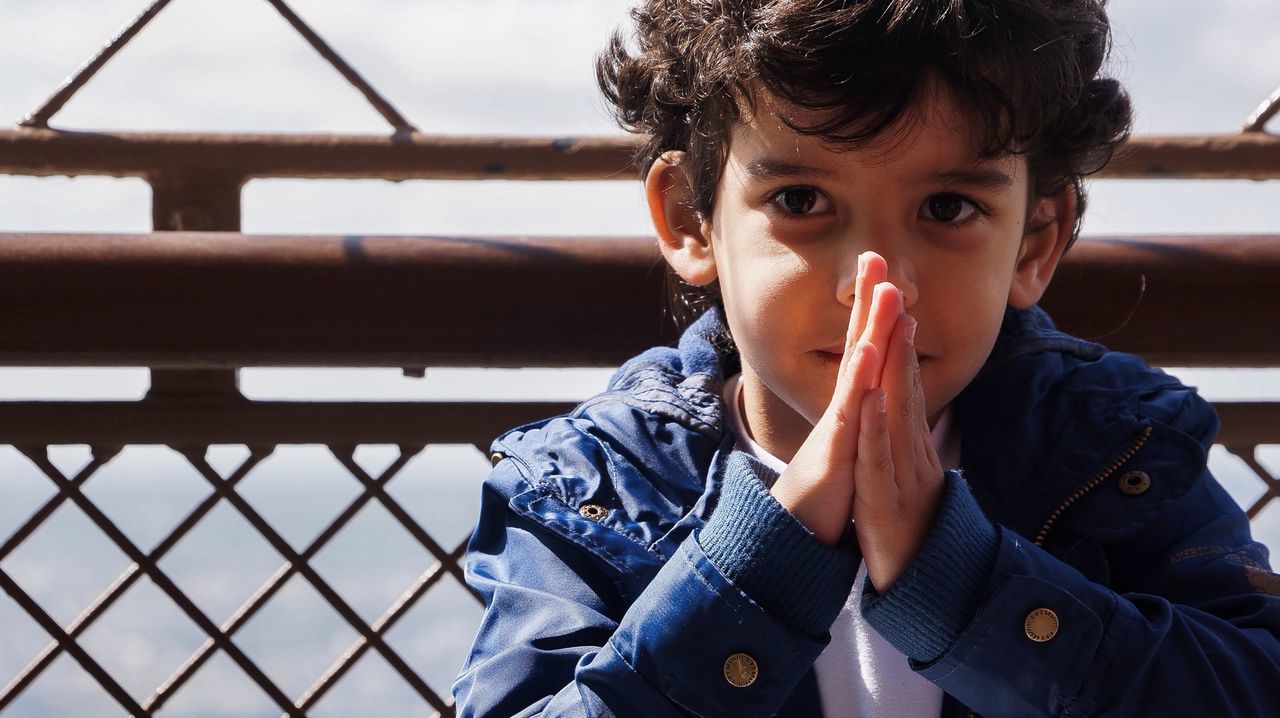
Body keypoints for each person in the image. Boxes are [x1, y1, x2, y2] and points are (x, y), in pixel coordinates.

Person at [452, 0, 1280, 715]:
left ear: (1035, 240)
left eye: (947, 207)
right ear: (691, 221)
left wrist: (960, 578)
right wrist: (763, 562)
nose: (875, 282)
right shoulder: (588, 484)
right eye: (801, 201)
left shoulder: (1113, 446)